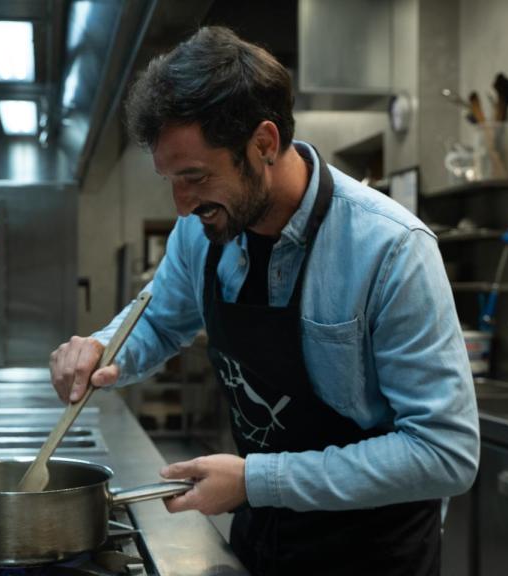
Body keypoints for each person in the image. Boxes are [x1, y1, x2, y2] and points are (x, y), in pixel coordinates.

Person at [50, 26, 479, 576]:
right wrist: (102, 349)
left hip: (372, 552)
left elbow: (445, 453)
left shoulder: (390, 249)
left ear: (264, 144)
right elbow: (159, 320)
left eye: (195, 177)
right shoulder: (200, 230)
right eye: (170, 181)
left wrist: (256, 479)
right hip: (259, 537)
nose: (182, 206)